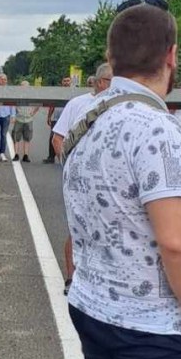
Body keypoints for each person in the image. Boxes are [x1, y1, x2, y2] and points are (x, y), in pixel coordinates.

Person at [63, 1, 181, 359]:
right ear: (171, 55)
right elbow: (177, 243)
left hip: (97, 307)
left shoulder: (91, 118)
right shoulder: (157, 129)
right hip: (156, 328)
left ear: (111, 56)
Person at [52, 62, 113, 295]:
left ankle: (101, 280)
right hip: (79, 180)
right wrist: (69, 167)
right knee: (76, 227)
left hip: (109, 180)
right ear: (99, 82)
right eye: (111, 81)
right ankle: (72, 279)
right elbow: (57, 138)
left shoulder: (124, 105)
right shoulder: (77, 104)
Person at [44, 75, 72, 163]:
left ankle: (67, 157)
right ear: (62, 82)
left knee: (68, 138)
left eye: (68, 81)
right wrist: (49, 116)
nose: (66, 83)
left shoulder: (73, 92)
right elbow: (52, 104)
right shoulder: (58, 92)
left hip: (68, 119)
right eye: (65, 81)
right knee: (53, 138)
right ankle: (51, 157)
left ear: (71, 82)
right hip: (56, 118)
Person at [12, 81, 39, 162]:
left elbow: (38, 104)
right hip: (19, 118)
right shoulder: (17, 95)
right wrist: (14, 114)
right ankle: (16, 154)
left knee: (27, 138)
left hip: (28, 118)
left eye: (26, 86)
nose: (24, 88)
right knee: (16, 137)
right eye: (23, 86)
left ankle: (25, 155)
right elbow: (12, 104)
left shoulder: (32, 96)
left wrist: (33, 112)